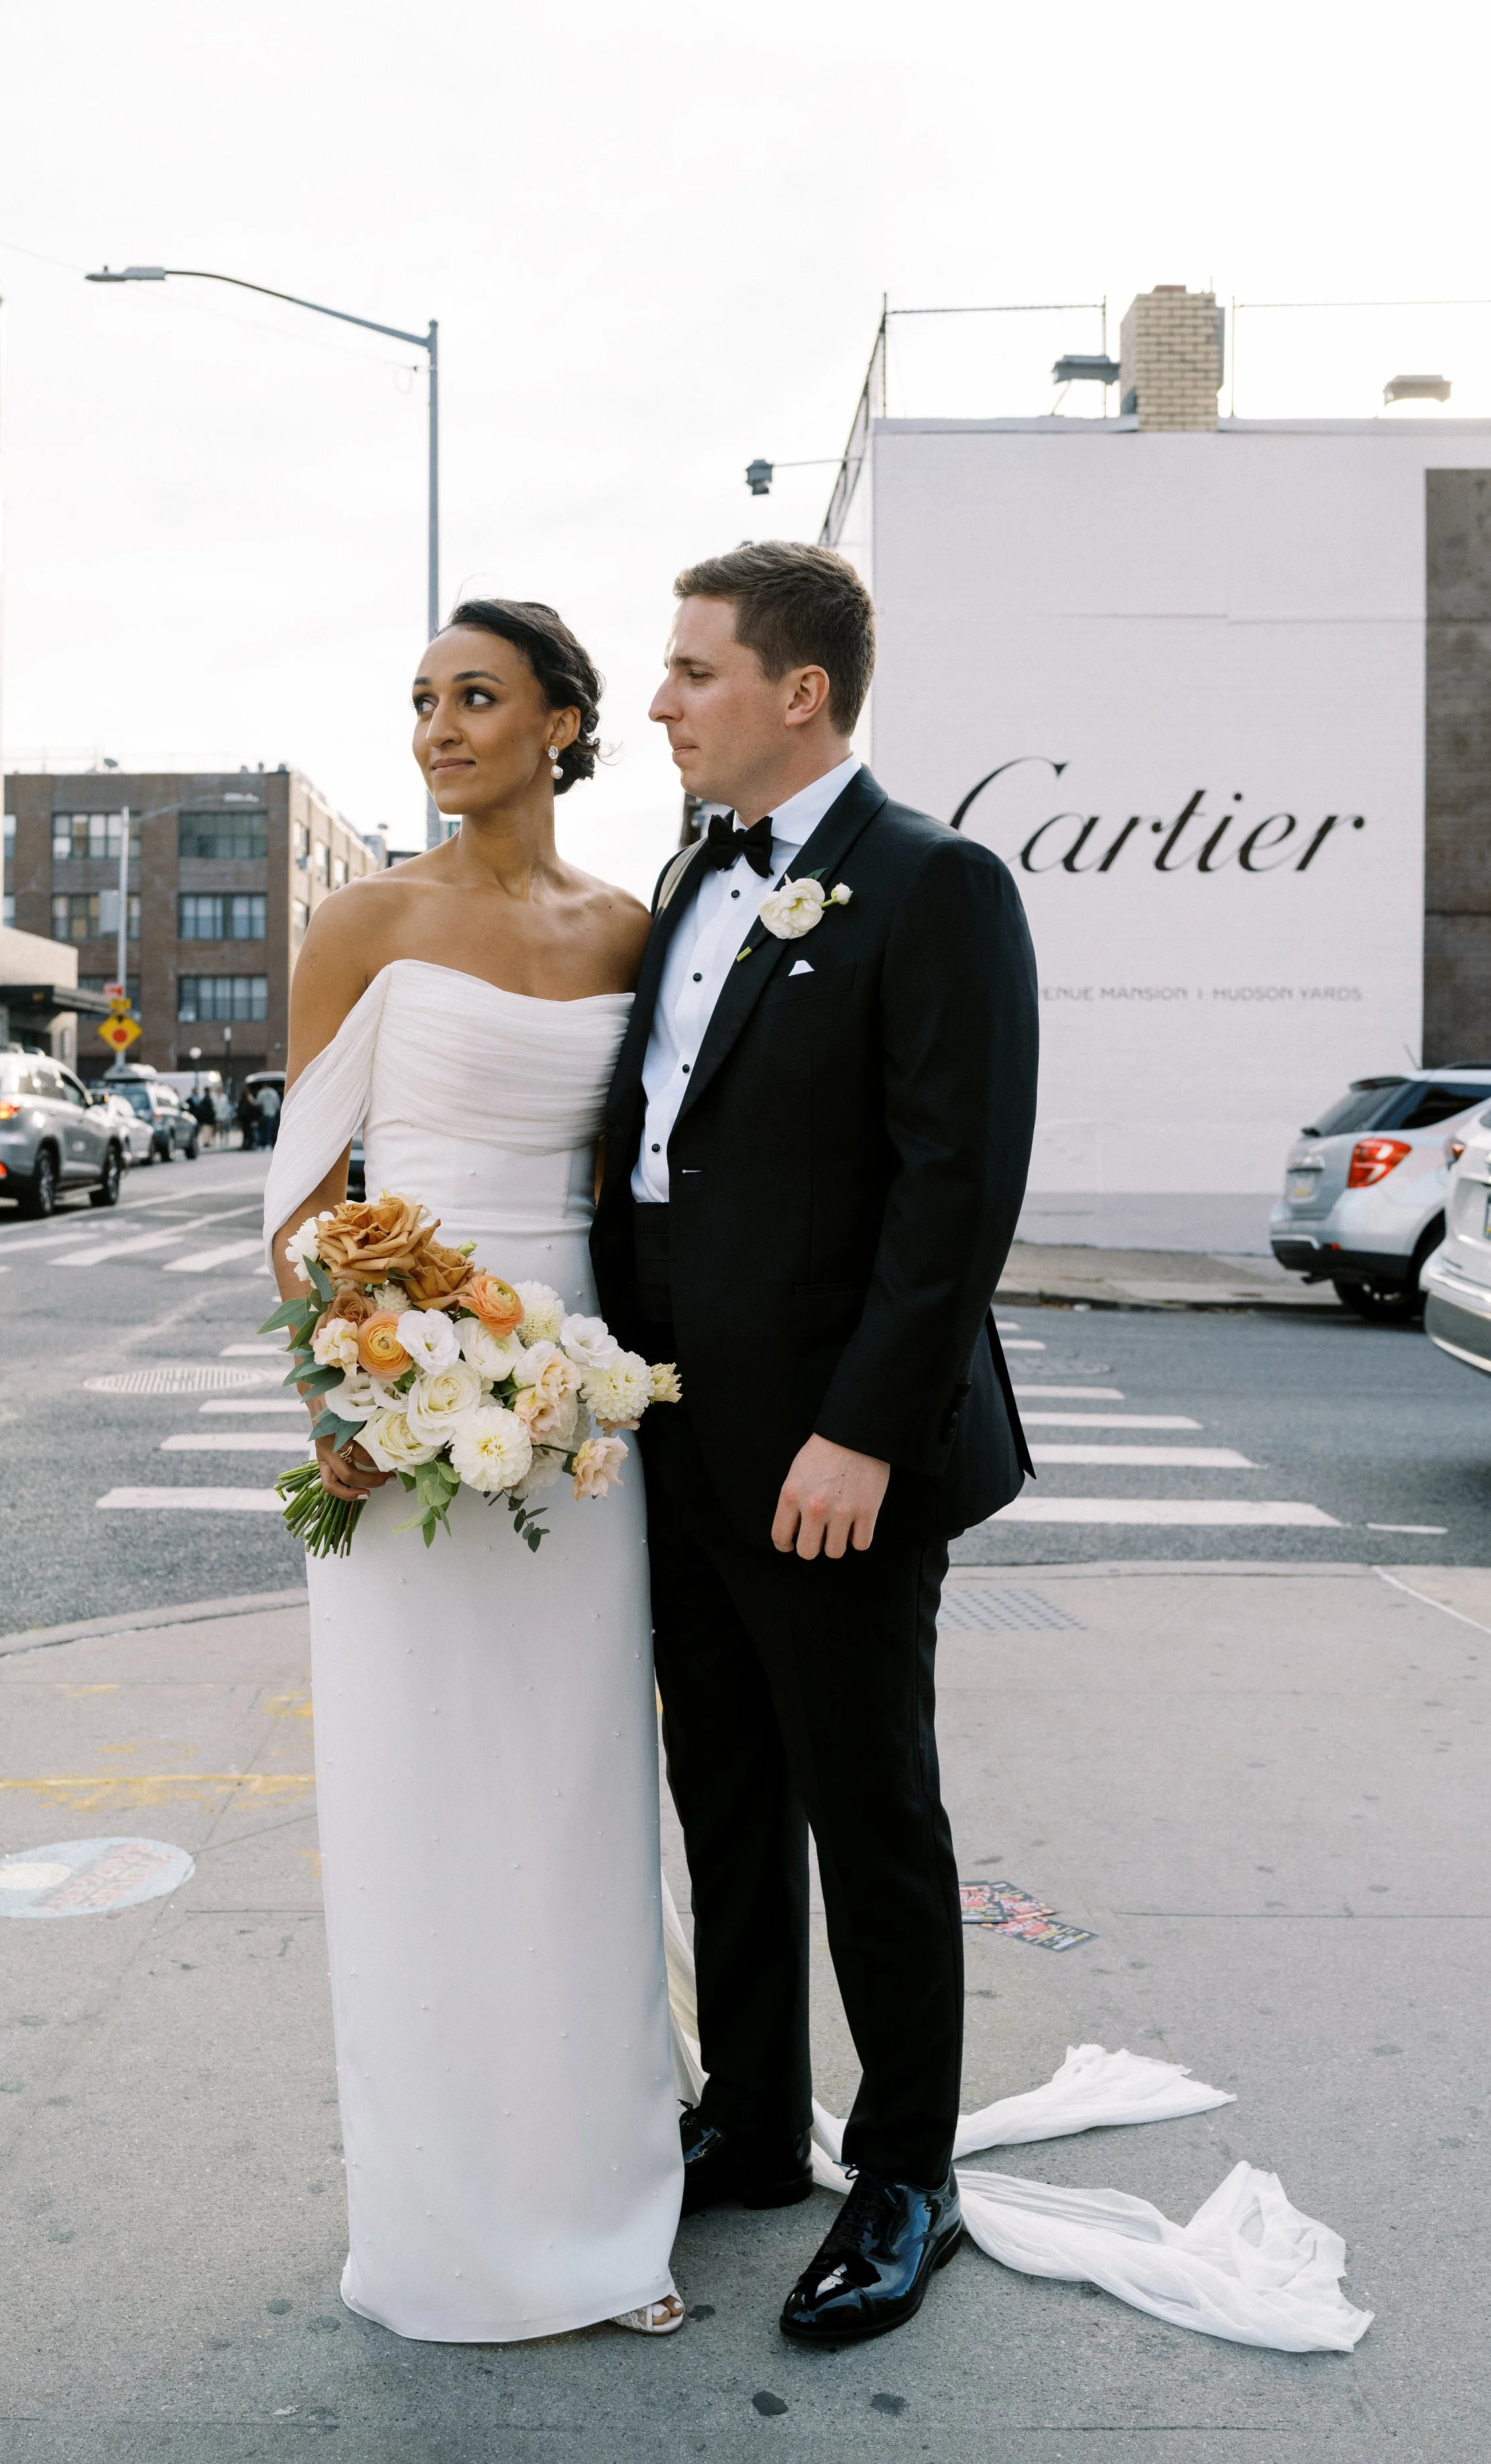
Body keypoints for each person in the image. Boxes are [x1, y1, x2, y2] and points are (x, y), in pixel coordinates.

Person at [589, 542, 1038, 2347]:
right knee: (724, 1789)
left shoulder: (936, 883)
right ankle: (758, 2123)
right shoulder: (691, 871)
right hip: (672, 1422)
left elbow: (956, 1190)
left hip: (831, 1454)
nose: (659, 702)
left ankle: (908, 2173)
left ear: (800, 692)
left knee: (869, 1806)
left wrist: (861, 1433)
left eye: (693, 670)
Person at [263, 599, 684, 2343]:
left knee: (579, 1797)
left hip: (579, 1413)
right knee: (420, 1809)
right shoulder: (362, 920)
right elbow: (302, 1199)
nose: (439, 728)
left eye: (478, 697)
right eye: (424, 700)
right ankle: (443, 2225)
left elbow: (647, 1177)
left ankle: (603, 2202)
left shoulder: (633, 928)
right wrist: (358, 1390)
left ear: (563, 724)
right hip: (399, 1407)